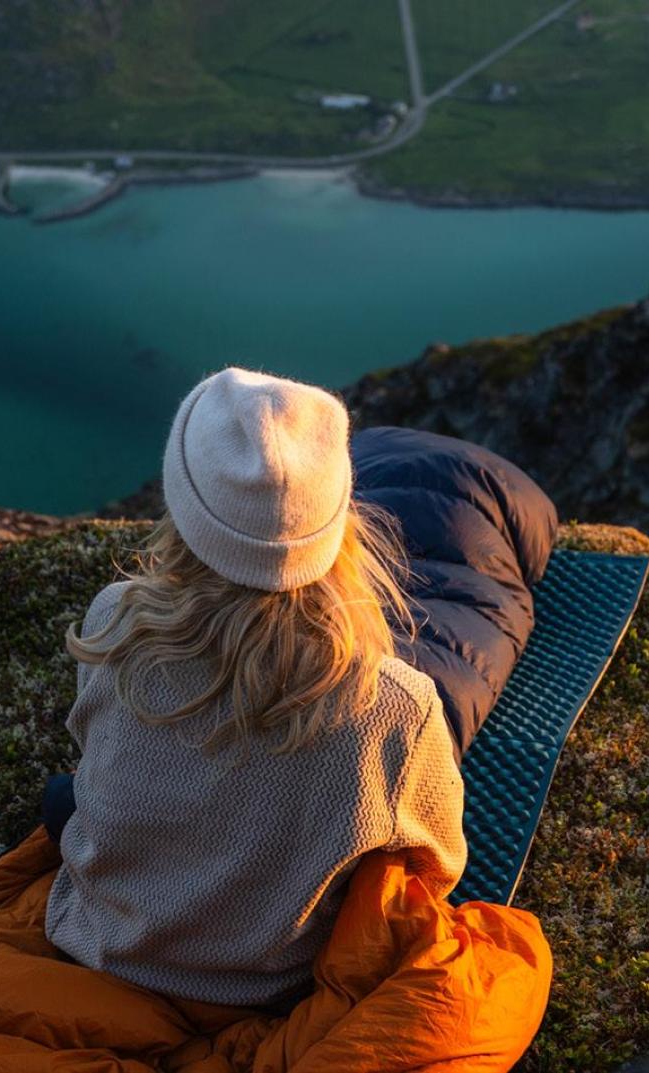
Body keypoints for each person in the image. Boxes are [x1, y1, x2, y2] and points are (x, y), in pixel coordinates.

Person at [43, 367, 467, 1010]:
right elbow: (439, 864)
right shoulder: (395, 706)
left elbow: (90, 746)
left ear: (181, 509)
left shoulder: (114, 619)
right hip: (270, 990)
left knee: (59, 799)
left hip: (105, 946)